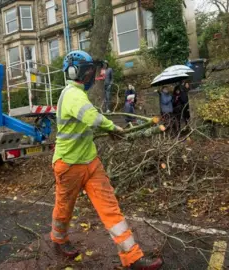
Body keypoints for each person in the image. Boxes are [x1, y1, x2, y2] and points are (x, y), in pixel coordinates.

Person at [51, 50, 163, 269]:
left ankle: (132, 257)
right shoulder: (72, 94)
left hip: (90, 162)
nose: (92, 74)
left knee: (110, 207)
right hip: (69, 164)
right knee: (64, 207)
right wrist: (114, 127)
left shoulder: (79, 94)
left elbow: (90, 122)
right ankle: (59, 239)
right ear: (75, 72)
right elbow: (92, 118)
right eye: (89, 70)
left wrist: (108, 128)